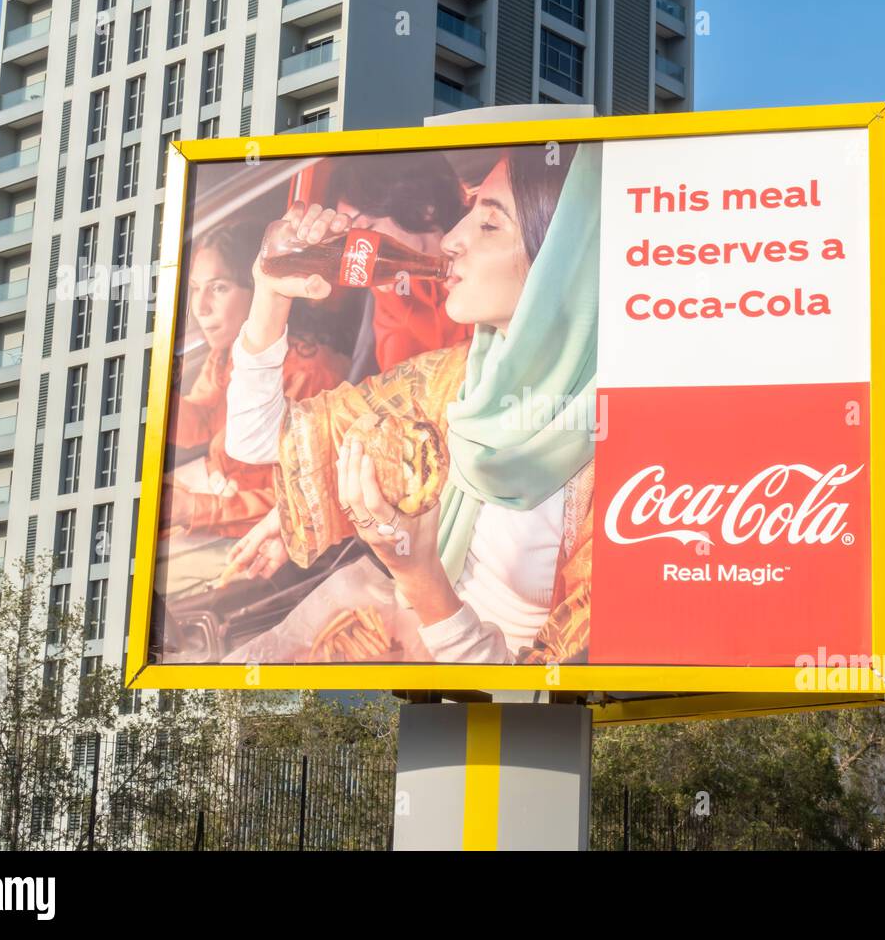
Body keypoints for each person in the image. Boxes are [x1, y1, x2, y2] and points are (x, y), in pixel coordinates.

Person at [221, 143, 601, 663]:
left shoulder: (621, 458)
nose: (451, 240)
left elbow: (549, 699)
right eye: (468, 215)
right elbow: (259, 439)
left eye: (490, 225)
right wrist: (269, 295)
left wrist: (417, 573)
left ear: (564, 262)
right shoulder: (451, 379)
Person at [164, 221, 348, 536]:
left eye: (219, 287)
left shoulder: (308, 372)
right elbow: (204, 420)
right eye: (196, 288)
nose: (200, 308)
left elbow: (306, 497)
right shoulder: (227, 351)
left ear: (259, 290)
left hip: (261, 528)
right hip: (217, 490)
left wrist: (191, 508)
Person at [317, 151, 472, 381]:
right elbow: (401, 383)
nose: (361, 250)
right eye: (350, 239)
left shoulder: (480, 253)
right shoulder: (395, 288)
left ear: (422, 206)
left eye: (366, 229)